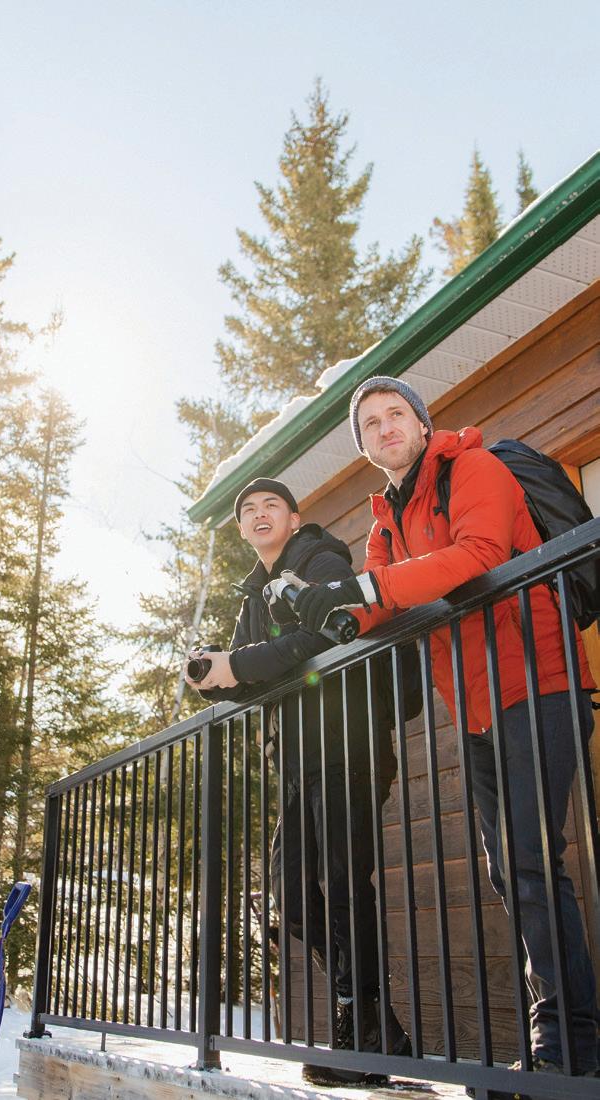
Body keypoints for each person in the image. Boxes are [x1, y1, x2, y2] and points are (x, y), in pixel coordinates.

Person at [291, 375, 599, 1089]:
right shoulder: (385, 525)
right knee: (511, 869)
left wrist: (367, 590)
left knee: (528, 861)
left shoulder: (474, 467)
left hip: (540, 680)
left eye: (396, 413)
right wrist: (324, 607)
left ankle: (566, 1047)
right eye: (371, 423)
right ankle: (562, 1040)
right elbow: (374, 602)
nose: (386, 427)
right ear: (366, 447)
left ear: (423, 425)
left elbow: (480, 552)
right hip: (476, 706)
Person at [185, 476, 413, 1086]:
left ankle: (360, 1032)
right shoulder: (252, 598)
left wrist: (241, 663)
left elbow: (321, 634)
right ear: (241, 529)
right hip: (297, 761)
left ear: (292, 517)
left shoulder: (320, 558)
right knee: (290, 896)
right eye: (249, 510)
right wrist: (213, 674)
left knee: (343, 883)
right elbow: (246, 676)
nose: (260, 514)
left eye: (272, 506)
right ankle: (379, 1025)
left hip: (348, 744)